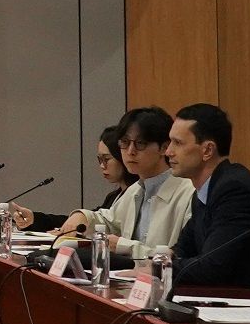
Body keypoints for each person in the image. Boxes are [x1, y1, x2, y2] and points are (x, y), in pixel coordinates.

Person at [166, 103, 250, 296]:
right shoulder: (206, 189)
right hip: (230, 297)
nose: (168, 151)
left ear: (207, 150)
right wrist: (164, 258)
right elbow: (184, 248)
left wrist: (160, 267)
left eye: (178, 143)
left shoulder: (234, 190)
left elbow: (211, 267)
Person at [56, 106, 194, 263]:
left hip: (163, 276)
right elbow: (109, 221)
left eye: (140, 143)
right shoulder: (135, 190)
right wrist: (83, 216)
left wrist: (123, 246)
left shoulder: (188, 192)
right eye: (125, 142)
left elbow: (180, 257)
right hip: (130, 275)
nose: (130, 151)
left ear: (164, 148)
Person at [11, 125, 133, 234]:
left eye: (106, 159)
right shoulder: (113, 196)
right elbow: (78, 223)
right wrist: (34, 219)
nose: (102, 166)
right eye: (99, 160)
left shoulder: (134, 196)